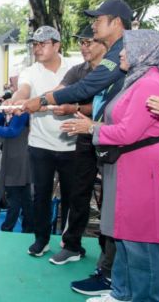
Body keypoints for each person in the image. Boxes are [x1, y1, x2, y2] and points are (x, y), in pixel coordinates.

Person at [22, 0, 133, 295]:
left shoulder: (125, 50)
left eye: (98, 20)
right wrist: (36, 100)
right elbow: (74, 89)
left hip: (126, 145)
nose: (93, 27)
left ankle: (113, 279)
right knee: (108, 208)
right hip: (106, 142)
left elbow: (86, 90)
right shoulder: (114, 53)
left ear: (117, 22)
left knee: (119, 212)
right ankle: (108, 273)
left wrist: (45, 101)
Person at [61, 30, 159, 302]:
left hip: (143, 170)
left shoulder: (149, 83)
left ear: (144, 52)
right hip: (130, 166)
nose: (120, 53)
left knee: (141, 242)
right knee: (125, 237)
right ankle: (122, 293)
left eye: (126, 49)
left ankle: (144, 297)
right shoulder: (137, 79)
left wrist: (91, 128)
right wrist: (94, 127)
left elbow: (128, 133)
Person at [8, 26, 78, 257]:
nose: (37, 49)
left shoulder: (74, 68)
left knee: (72, 197)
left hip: (72, 145)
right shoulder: (30, 71)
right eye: (34, 44)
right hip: (40, 145)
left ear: (57, 45)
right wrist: (15, 101)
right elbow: (23, 91)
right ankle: (41, 239)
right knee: (40, 195)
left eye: (42, 44)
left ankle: (70, 244)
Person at [49, 27, 108, 265]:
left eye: (89, 42)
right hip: (84, 137)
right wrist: (32, 101)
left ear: (104, 43)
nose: (84, 47)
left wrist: (74, 108)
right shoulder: (78, 70)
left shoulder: (115, 70)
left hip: (111, 138)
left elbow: (102, 106)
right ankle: (72, 245)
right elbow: (59, 92)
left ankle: (109, 253)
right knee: (78, 192)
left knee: (111, 198)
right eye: (81, 43)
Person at [0, 111, 33, 233]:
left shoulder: (22, 113)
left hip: (17, 159)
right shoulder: (14, 113)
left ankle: (7, 228)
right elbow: (1, 123)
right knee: (25, 197)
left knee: (14, 195)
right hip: (17, 157)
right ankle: (29, 228)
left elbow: (11, 131)